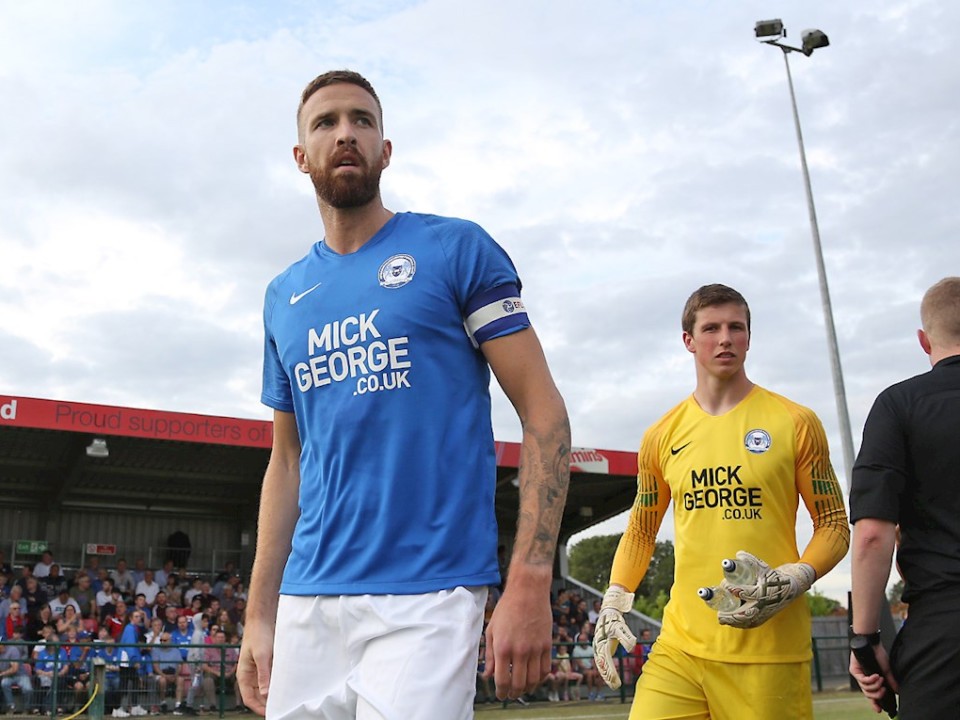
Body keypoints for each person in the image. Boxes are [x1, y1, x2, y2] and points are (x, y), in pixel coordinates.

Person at [237, 69, 570, 720]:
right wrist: (259, 613)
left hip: (430, 595)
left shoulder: (454, 249)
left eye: (362, 121)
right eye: (327, 123)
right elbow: (288, 461)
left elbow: (543, 413)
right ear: (301, 156)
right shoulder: (283, 296)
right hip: (308, 598)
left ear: (385, 149)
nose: (346, 134)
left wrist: (531, 579)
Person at [592, 284, 850, 720]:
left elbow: (834, 524)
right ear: (689, 341)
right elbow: (641, 529)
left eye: (736, 327)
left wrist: (799, 575)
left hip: (768, 649)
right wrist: (615, 597)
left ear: (749, 336)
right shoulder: (661, 435)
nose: (725, 338)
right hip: (681, 646)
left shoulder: (796, 422)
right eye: (711, 328)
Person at [849, 277, 960, 718]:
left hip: (944, 629)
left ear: (924, 340)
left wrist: (865, 640)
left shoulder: (898, 405)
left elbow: (872, 535)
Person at [0, 626, 33, 713]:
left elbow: (14, 669)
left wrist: (2, 674)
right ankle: (11, 706)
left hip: (20, 674)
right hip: (7, 676)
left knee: (28, 689)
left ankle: (27, 708)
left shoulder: (12, 650)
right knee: (4, 684)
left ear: (3, 644)